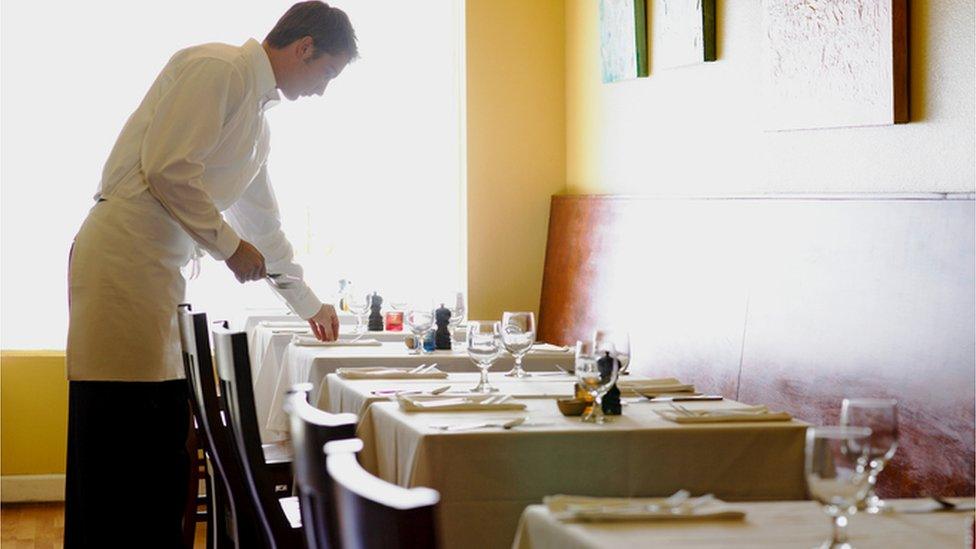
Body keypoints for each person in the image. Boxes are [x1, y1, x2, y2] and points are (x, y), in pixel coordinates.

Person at [63, 2, 357, 545]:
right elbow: (167, 168)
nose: (322, 90)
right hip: (123, 263)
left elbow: (265, 230)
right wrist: (228, 248)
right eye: (327, 74)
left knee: (158, 448)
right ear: (305, 48)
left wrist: (309, 303)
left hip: (160, 272)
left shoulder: (258, 126)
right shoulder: (218, 69)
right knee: (115, 440)